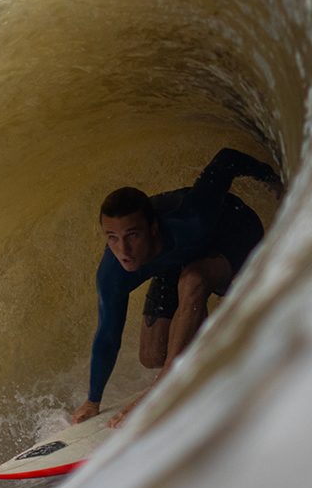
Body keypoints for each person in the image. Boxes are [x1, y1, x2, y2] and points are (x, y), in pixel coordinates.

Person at [71, 148, 282, 428]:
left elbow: (227, 159)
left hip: (234, 231)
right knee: (152, 355)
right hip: (179, 263)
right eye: (112, 238)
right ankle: (196, 361)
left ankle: (171, 381)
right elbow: (108, 338)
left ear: (153, 229)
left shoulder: (192, 219)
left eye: (132, 235)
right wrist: (92, 401)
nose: (123, 250)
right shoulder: (113, 272)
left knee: (193, 280)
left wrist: (273, 178)